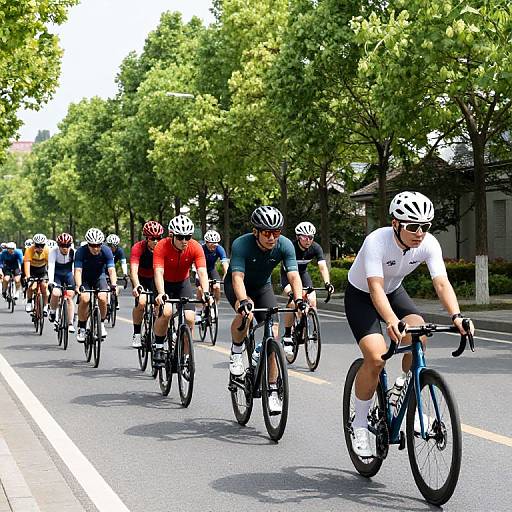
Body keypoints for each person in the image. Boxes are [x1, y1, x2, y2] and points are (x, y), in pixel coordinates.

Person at [344, 191, 474, 457]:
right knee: (376, 357)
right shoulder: (376, 242)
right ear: (395, 224)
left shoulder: (429, 244)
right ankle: (358, 424)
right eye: (413, 227)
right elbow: (375, 288)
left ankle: (406, 390)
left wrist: (457, 316)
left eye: (425, 227)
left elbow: (441, 283)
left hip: (394, 292)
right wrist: (391, 320)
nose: (420, 233)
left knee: (419, 332)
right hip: (362, 296)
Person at [224, 206, 305, 414]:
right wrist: (243, 300)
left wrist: (298, 300)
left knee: (273, 336)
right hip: (239, 286)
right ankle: (236, 351)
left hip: (262, 287)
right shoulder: (241, 244)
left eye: (276, 232)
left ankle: (271, 391)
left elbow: (294, 276)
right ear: (256, 232)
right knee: (246, 314)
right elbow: (237, 278)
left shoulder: (285, 245)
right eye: (267, 233)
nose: (272, 238)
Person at [152, 215, 212, 364]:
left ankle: (185, 357)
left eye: (188, 236)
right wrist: (161, 293)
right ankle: (159, 346)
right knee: (166, 312)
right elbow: (158, 272)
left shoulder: (195, 247)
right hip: (164, 284)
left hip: (182, 283)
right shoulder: (161, 246)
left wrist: (205, 292)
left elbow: (202, 272)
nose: (184, 240)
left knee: (190, 318)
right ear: (172, 235)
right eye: (180, 237)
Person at [280, 221, 334, 356]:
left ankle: (309, 324)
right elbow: (291, 275)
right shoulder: (291, 247)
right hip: (288, 275)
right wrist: (297, 292)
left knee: (312, 299)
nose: (308, 240)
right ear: (298, 237)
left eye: (311, 237)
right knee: (293, 302)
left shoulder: (315, 248)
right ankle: (287, 336)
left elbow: (322, 266)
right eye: (305, 237)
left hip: (303, 275)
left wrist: (327, 283)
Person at [74, 228, 117, 342]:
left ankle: (101, 323)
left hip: (99, 277)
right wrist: (78, 286)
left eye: (98, 245)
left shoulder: (106, 251)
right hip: (85, 278)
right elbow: (78, 271)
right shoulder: (80, 252)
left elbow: (111, 270)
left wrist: (114, 285)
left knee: (103, 297)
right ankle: (82, 328)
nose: (96, 248)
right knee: (84, 298)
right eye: (93, 245)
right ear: (88, 244)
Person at [129, 221, 164, 348]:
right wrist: (137, 285)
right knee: (142, 302)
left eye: (159, 238)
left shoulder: (163, 248)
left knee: (161, 306)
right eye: (152, 238)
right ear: (146, 238)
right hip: (141, 278)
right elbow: (133, 271)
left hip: (156, 278)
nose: (156, 241)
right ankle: (137, 334)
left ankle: (159, 332)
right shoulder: (138, 248)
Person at [195, 229, 229, 312]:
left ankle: (215, 305)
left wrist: (226, 273)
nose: (213, 246)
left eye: (215, 244)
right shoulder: (201, 248)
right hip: (200, 270)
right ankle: (199, 309)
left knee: (217, 286)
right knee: (200, 289)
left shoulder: (219, 249)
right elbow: (194, 263)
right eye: (211, 244)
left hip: (211, 269)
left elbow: (224, 263)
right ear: (206, 242)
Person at [47, 233, 76, 331]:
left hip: (68, 274)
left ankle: (70, 323)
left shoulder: (74, 252)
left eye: (67, 246)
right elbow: (51, 267)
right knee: (55, 293)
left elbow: (76, 268)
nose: (65, 248)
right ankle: (53, 311)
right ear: (58, 245)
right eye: (62, 246)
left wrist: (76, 282)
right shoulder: (53, 252)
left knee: (69, 297)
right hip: (57, 275)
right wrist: (51, 282)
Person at [23, 233, 50, 313]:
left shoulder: (47, 250)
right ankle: (29, 301)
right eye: (37, 245)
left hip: (42, 270)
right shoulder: (29, 250)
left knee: (44, 287)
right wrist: (28, 276)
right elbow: (27, 263)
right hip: (32, 270)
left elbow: (50, 264)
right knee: (32, 287)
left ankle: (45, 306)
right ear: (34, 244)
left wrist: (50, 276)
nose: (40, 248)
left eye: (42, 246)